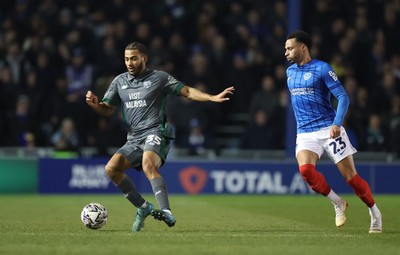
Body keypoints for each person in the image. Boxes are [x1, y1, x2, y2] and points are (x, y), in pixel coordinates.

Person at [86, 42, 234, 232]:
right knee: (111, 169)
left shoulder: (159, 78)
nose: (129, 63)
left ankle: (166, 210)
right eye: (126, 59)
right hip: (133, 139)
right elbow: (107, 109)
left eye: (133, 58)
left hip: (156, 132)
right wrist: (95, 105)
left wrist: (211, 97)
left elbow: (187, 91)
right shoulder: (119, 82)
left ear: (144, 58)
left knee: (149, 163)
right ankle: (143, 207)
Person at [284, 30, 382, 233]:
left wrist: (337, 123)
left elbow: (343, 97)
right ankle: (338, 203)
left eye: (290, 48)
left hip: (329, 128)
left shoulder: (322, 69)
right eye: (285, 48)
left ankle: (374, 212)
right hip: (305, 133)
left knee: (352, 179)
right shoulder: (289, 72)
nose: (286, 52)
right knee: (306, 171)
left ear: (303, 47)